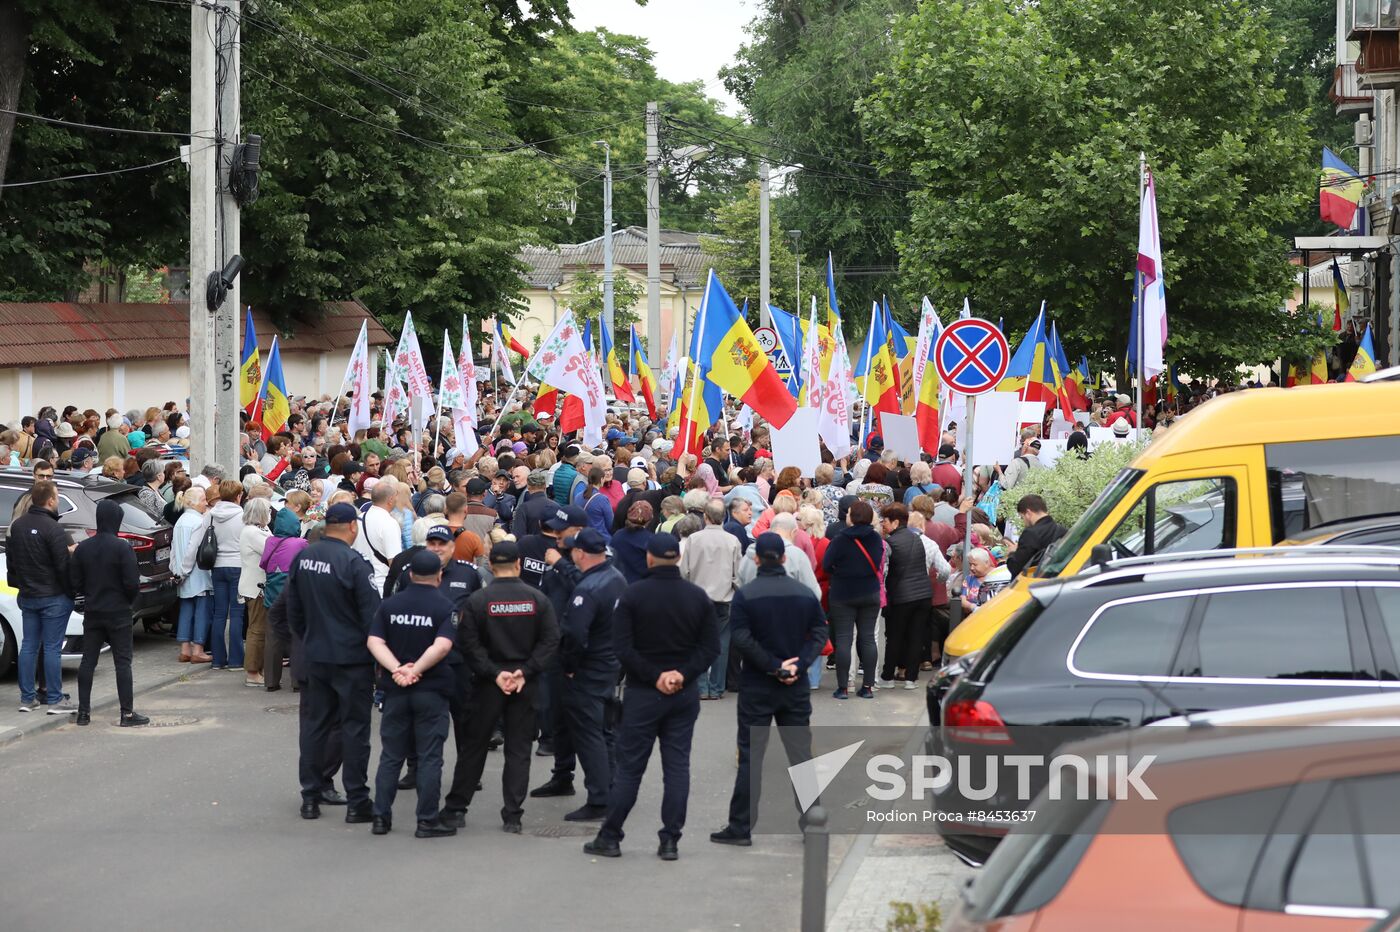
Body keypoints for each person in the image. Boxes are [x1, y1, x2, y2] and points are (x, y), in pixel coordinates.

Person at [583, 533, 719, 860]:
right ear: (680, 559)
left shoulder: (634, 596)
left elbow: (622, 649)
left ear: (649, 559)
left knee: (630, 768)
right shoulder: (697, 597)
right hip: (682, 694)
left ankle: (611, 834)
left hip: (644, 693)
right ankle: (670, 839)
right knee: (677, 767)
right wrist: (681, 675)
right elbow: (710, 648)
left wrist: (654, 675)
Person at [710, 533, 828, 846]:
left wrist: (772, 665)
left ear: (757, 559)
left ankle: (740, 826)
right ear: (785, 558)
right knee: (801, 755)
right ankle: (812, 822)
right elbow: (818, 632)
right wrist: (797, 665)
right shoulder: (804, 593)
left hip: (758, 684)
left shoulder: (746, 596)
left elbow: (742, 638)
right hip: (795, 685)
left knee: (751, 755)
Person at [445, 541, 560, 832]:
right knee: (519, 749)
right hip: (525, 683)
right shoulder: (537, 599)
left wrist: (494, 673)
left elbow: (468, 644)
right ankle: (513, 815)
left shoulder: (478, 601)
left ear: (492, 567)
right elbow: (550, 641)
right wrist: (526, 670)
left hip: (487, 684)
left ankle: (457, 808)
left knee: (474, 746)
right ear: (518, 564)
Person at [285, 502, 382, 823]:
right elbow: (372, 618)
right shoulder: (355, 564)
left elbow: (293, 611)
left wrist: (310, 638)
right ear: (353, 527)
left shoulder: (304, 557)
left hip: (315, 655)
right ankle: (357, 801)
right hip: (351, 660)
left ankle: (310, 797)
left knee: (314, 727)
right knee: (354, 730)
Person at [367, 550, 459, 838]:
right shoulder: (445, 606)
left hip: (395, 691)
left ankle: (381, 817)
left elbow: (374, 641)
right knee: (430, 756)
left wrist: (397, 670)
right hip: (431, 689)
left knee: (392, 755)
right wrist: (416, 669)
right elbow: (442, 646)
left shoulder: (390, 605)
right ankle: (426, 820)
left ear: (409, 575)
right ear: (440, 576)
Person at [549, 528, 626, 822]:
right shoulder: (616, 579)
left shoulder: (588, 588)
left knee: (589, 733)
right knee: (604, 730)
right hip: (609, 665)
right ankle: (610, 787)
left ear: (580, 553)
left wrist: (569, 666)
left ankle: (599, 798)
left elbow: (575, 634)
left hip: (589, 669)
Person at [69, 499, 148, 726]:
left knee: (88, 662)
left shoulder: (83, 548)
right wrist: (128, 601)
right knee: (122, 663)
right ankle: (127, 714)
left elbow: (75, 582)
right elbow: (132, 583)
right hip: (119, 612)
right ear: (117, 520)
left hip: (93, 611)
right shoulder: (123, 547)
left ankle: (84, 713)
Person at [12, 480, 76, 714]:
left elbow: (13, 564)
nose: (58, 500)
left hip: (28, 594)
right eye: (57, 497)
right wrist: (71, 592)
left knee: (28, 646)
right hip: (53, 596)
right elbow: (62, 566)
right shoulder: (54, 529)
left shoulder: (17, 526)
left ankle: (27, 698)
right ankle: (55, 698)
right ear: (50, 500)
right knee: (51, 648)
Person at [679, 499, 741, 701]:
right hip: (723, 598)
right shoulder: (732, 541)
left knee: (697, 642)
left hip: (697, 598)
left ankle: (701, 686)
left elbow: (684, 571)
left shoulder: (693, 540)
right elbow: (737, 575)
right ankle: (716, 687)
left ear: (705, 517)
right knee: (722, 644)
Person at [821, 500, 883, 700]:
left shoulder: (840, 539)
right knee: (867, 639)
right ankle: (867, 686)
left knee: (844, 639)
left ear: (852, 517)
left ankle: (843, 687)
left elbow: (827, 564)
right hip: (870, 592)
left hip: (843, 593)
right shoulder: (875, 538)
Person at [876, 504, 935, 689]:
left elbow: (885, 572)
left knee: (895, 636)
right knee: (916, 636)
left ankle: (888, 676)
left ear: (894, 522)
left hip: (902, 596)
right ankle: (911, 678)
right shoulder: (917, 539)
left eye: (884, 521)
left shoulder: (890, 543)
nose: (882, 524)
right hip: (923, 594)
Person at [207, 479, 246, 671]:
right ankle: (236, 660)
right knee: (237, 614)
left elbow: (198, 540)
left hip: (217, 566)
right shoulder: (243, 516)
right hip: (238, 566)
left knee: (219, 613)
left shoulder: (211, 515)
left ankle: (218, 659)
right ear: (238, 496)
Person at [172, 486, 214, 664]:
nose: (206, 502)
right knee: (202, 612)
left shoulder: (181, 520)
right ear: (194, 502)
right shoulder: (199, 522)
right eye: (204, 499)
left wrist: (176, 570)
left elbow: (174, 549)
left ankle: (185, 649)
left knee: (186, 609)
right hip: (197, 574)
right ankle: (198, 649)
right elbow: (193, 549)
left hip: (182, 573)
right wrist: (185, 570)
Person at [239, 498, 274, 688]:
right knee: (257, 629)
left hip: (259, 585)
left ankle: (257, 669)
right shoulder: (253, 532)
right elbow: (271, 549)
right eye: (268, 510)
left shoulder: (260, 529)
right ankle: (252, 672)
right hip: (256, 587)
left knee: (259, 628)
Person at [353, 481, 403, 593]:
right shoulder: (389, 523)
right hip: (380, 586)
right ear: (390, 500)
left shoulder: (359, 519)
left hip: (358, 585)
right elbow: (394, 562)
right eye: (395, 496)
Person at [1007, 494, 1066, 578]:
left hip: (1034, 585)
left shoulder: (1030, 534)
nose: (1024, 522)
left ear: (1028, 513)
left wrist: (1012, 553)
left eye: (1022, 517)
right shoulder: (1062, 530)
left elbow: (1016, 568)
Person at [609, 500, 654, 584]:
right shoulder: (650, 539)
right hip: (641, 587)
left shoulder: (617, 535)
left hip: (619, 585)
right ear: (649, 519)